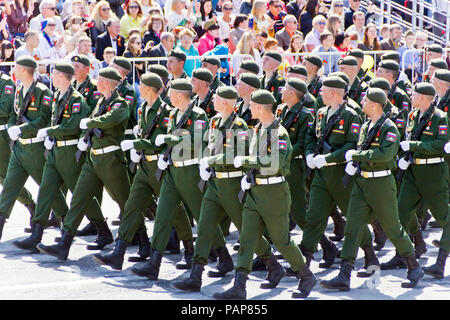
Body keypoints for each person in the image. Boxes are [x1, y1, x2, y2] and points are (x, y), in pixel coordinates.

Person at [173, 85, 285, 292]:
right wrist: (206, 162)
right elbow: (208, 145)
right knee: (204, 227)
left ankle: (273, 264)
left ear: (224, 102)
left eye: (215, 98)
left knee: (245, 230)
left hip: (232, 184)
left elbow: (238, 155)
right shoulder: (215, 121)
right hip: (215, 183)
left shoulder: (239, 125)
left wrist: (212, 160)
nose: (212, 100)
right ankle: (195, 275)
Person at [212, 89, 317, 300]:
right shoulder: (258, 129)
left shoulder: (279, 134)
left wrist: (247, 162)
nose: (248, 108)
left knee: (282, 241)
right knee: (247, 237)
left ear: (260, 107)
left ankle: (305, 275)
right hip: (255, 190)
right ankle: (239, 287)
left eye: (251, 105)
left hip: (274, 192)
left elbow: (274, 163)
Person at [320, 87, 423, 291]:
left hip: (381, 184)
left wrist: (355, 156)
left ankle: (413, 265)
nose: (362, 103)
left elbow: (383, 155)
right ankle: (344, 274)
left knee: (393, 228)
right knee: (352, 228)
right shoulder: (367, 125)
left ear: (374, 104)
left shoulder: (389, 128)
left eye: (366, 101)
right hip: (362, 183)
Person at [92, 72, 193, 269]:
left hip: (159, 167)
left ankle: (189, 249)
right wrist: (138, 150)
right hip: (144, 167)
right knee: (132, 206)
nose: (139, 88)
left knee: (175, 211)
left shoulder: (165, 111)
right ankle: (118, 254)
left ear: (148, 88)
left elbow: (158, 142)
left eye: (141, 85)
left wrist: (136, 143)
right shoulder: (142, 109)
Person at [129, 78, 228, 280]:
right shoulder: (173, 114)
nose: (169, 96)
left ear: (181, 95)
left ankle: (224, 256)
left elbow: (195, 141)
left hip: (191, 171)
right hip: (172, 172)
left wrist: (168, 139)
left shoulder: (198, 115)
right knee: (163, 215)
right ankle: (154, 264)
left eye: (172, 92)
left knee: (203, 218)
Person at [36, 67, 131, 261]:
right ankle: (64, 244)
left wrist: (89, 124)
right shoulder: (101, 102)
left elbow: (110, 119)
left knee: (127, 203)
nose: (96, 82)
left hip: (111, 160)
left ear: (105, 83)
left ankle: (143, 241)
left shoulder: (120, 104)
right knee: (78, 197)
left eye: (100, 79)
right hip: (93, 158)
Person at [11, 62, 106, 254]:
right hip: (55, 150)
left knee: (80, 194)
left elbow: (74, 125)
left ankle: (102, 229)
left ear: (61, 76)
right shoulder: (57, 97)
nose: (51, 76)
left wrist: (50, 131)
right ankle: (36, 235)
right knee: (46, 189)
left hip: (70, 152)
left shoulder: (76, 98)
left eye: (54, 73)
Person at [0, 56, 69, 240]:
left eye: (16, 66)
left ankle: (66, 219)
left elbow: (43, 120)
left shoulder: (42, 92)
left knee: (47, 188)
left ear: (24, 69)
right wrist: (12, 128)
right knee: (9, 187)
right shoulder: (20, 89)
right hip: (20, 148)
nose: (13, 69)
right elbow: (15, 114)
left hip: (36, 149)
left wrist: (21, 128)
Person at [0, 59, 36, 233]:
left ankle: (31, 205)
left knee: (7, 177)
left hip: (2, 135)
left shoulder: (6, 82)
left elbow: (5, 108)